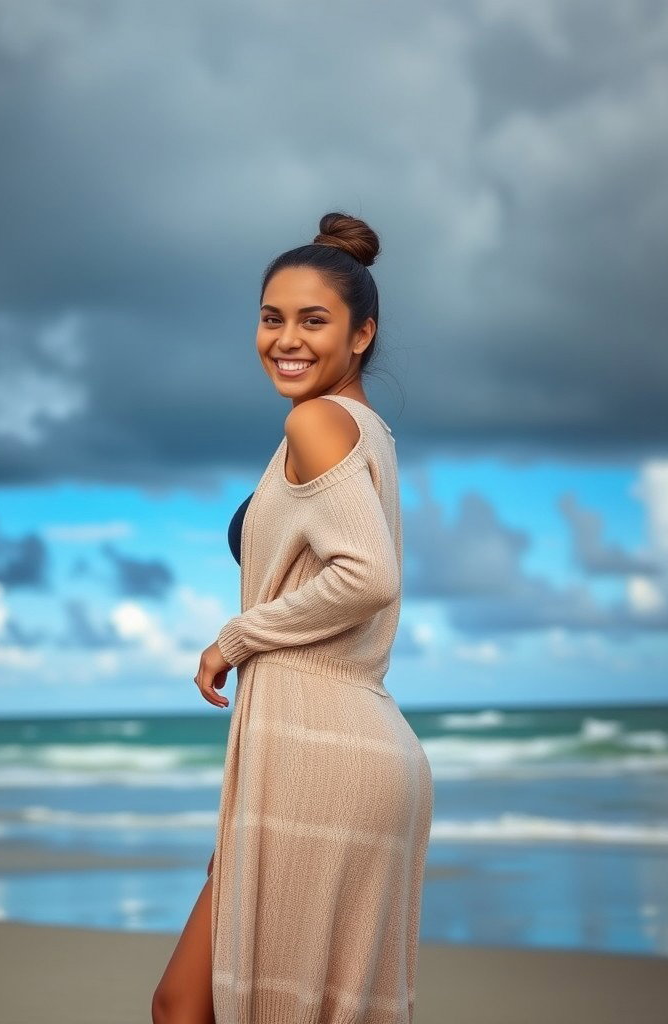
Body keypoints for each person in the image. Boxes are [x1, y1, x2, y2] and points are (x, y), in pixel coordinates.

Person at [152, 212, 434, 1024]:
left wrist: (236, 636)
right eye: (272, 317)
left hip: (325, 745)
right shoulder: (360, 429)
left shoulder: (317, 422)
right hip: (324, 746)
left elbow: (367, 576)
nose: (286, 338)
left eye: (314, 320)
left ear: (362, 334)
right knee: (185, 1003)